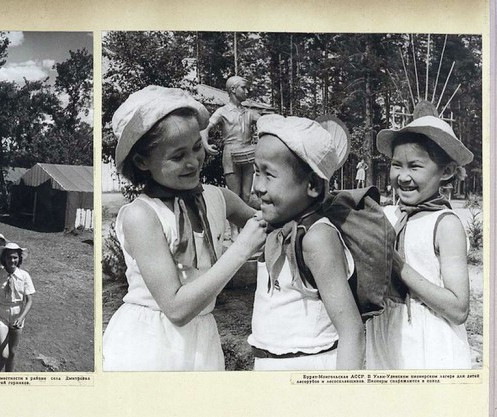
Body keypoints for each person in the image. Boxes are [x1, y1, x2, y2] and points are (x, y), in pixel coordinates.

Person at [102, 86, 267, 371]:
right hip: (150, 345)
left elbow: (270, 223)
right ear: (142, 161)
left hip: (202, 340)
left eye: (196, 147)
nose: (193, 161)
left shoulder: (218, 198)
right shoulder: (142, 215)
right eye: (177, 156)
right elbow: (176, 308)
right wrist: (240, 249)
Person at [248, 115, 364, 370]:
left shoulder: (317, 238)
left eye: (269, 175)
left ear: (311, 185)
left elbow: (351, 331)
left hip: (309, 368)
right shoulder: (279, 225)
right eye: (256, 172)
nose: (257, 186)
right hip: (271, 366)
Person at [366, 115, 473, 369]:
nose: (403, 177)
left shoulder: (445, 224)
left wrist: (396, 265)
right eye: (396, 165)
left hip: (430, 342)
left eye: (414, 166)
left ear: (446, 171)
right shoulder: (387, 216)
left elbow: (459, 309)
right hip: (385, 332)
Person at [200, 76, 261, 206]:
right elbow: (204, 128)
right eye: (243, 88)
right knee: (234, 194)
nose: (247, 92)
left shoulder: (249, 113)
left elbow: (265, 122)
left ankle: (244, 224)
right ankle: (234, 227)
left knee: (246, 194)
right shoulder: (222, 111)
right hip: (230, 154)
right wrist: (206, 145)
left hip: (248, 154)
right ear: (233, 89)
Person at [0, 242, 34, 372]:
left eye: (15, 257)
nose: (12, 260)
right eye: (9, 257)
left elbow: (29, 300)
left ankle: (9, 378)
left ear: (19, 259)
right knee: (3, 353)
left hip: (17, 314)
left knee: (12, 352)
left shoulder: (24, 276)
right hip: (1, 313)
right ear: (4, 259)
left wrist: (21, 318)